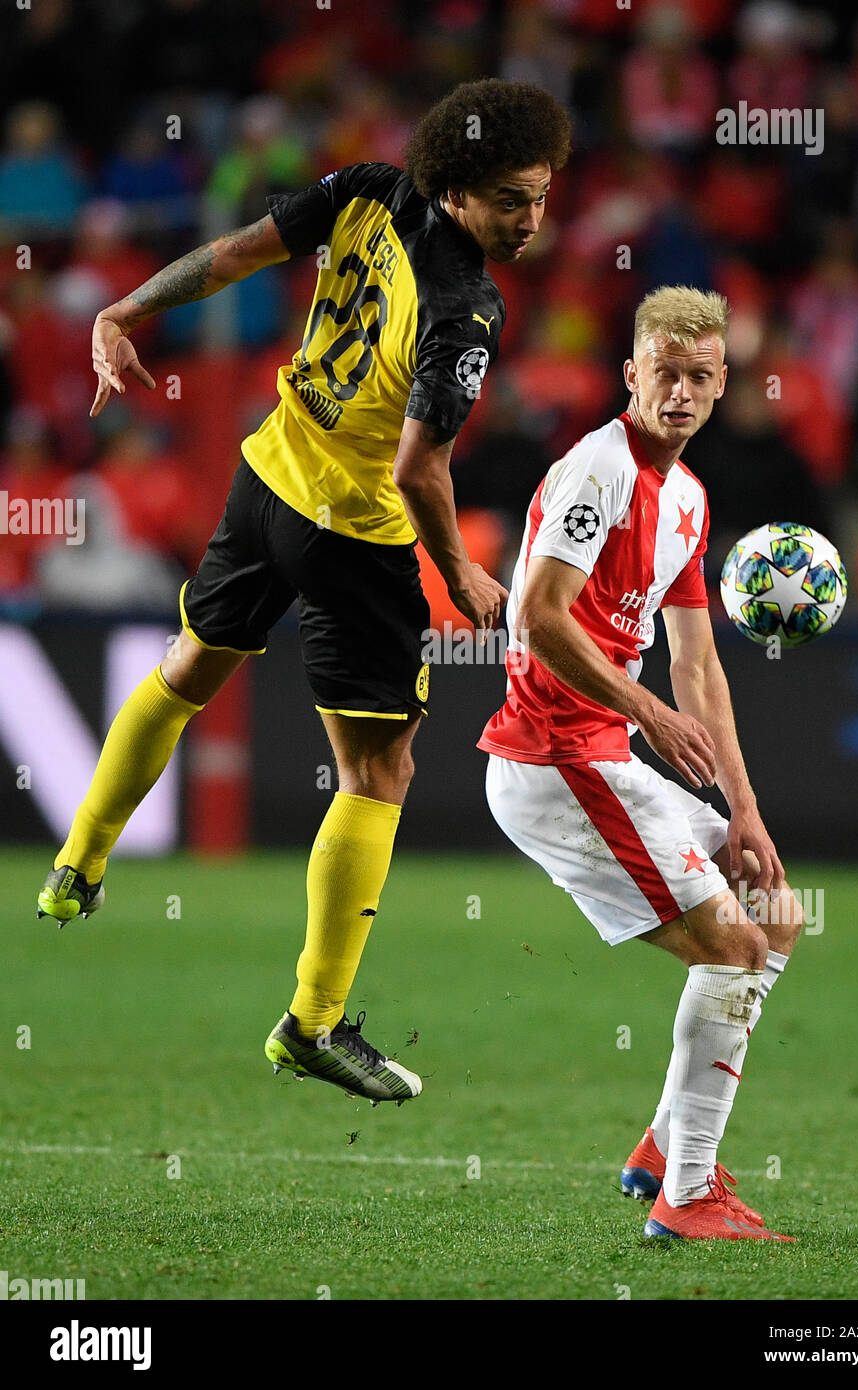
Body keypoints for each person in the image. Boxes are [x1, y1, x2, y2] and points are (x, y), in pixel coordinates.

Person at [36, 78, 571, 1106]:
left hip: (267, 472)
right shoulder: (465, 307)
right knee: (379, 773)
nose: (531, 219)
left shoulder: (368, 188)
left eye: (541, 196)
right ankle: (313, 1021)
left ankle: (79, 860)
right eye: (511, 198)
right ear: (454, 188)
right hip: (354, 532)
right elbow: (420, 470)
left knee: (190, 663)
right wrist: (457, 569)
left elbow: (234, 254)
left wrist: (127, 307)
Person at [479, 285, 802, 1239]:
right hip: (551, 759)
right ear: (632, 373)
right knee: (733, 950)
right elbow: (537, 614)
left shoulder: (690, 500)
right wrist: (644, 709)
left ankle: (667, 1142)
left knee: (774, 913)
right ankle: (689, 1195)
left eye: (699, 377)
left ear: (719, 385)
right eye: (665, 373)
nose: (681, 392)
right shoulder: (597, 472)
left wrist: (744, 809)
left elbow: (699, 664)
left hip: (603, 755)